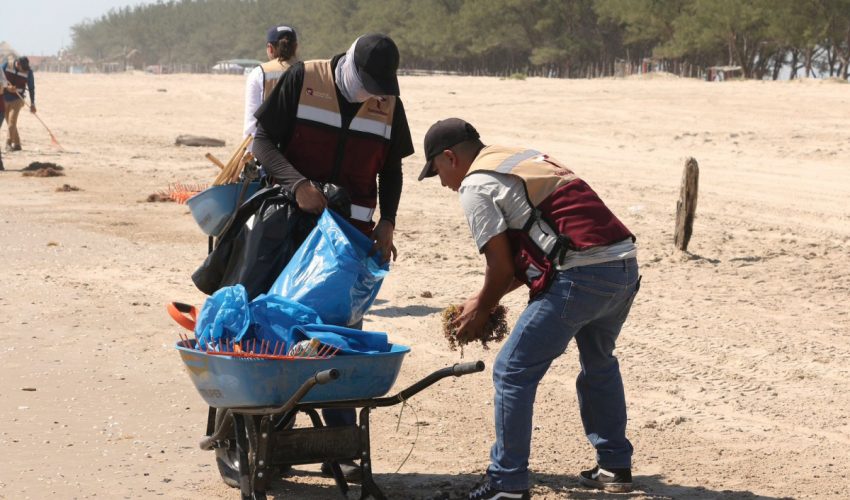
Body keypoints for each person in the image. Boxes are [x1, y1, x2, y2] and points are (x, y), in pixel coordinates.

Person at [418, 118, 640, 500]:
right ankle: (614, 465)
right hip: (622, 267)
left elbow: (501, 266)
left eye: (436, 170)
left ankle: (506, 483)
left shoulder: (475, 184)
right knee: (599, 361)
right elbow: (541, 249)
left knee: (511, 372)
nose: (442, 182)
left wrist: (482, 309)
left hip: (580, 276)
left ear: (450, 157)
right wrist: (484, 300)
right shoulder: (515, 158)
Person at [252, 33, 414, 480]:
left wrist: (387, 222)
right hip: (290, 232)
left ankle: (341, 449)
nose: (373, 94)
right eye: (367, 84)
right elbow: (261, 142)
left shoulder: (388, 101)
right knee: (281, 331)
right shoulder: (304, 79)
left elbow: (393, 167)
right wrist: (297, 185)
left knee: (340, 338)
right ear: (349, 68)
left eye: (381, 87)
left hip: (349, 244)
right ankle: (268, 443)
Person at [243, 24, 299, 152]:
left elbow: (252, 123)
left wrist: (249, 154)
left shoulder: (259, 73)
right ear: (295, 47)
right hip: (299, 149)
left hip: (269, 151)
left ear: (270, 48)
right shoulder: (308, 71)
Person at [2, 56, 36, 151]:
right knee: (9, 122)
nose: (24, 70)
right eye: (22, 68)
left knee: (12, 121)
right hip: (4, 98)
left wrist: (33, 103)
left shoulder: (29, 72)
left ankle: (8, 144)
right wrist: (7, 87)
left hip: (18, 99)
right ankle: (17, 144)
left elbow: (31, 88)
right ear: (17, 63)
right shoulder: (6, 65)